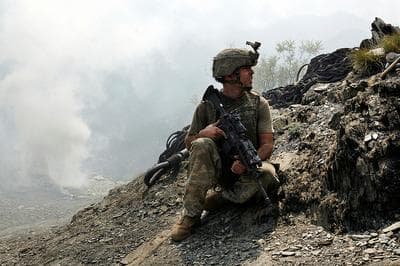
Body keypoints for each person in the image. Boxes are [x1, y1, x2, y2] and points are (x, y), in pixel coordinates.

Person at [170, 42, 280, 241]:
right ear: (230, 75)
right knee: (202, 144)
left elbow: (267, 144)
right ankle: (190, 216)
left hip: (248, 168)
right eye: (247, 70)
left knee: (269, 175)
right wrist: (204, 133)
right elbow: (190, 143)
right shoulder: (206, 107)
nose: (252, 74)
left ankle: (221, 199)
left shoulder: (258, 104)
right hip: (219, 170)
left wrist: (249, 162)